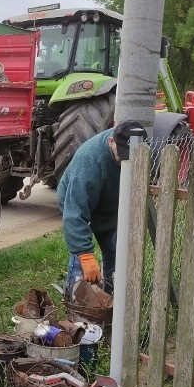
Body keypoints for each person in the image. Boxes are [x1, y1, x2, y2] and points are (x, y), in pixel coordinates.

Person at [57, 120, 148, 296]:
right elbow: (74, 213)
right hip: (78, 206)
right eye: (122, 154)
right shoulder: (89, 161)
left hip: (109, 206)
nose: (125, 160)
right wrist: (85, 254)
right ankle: (75, 304)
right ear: (111, 142)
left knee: (116, 255)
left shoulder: (142, 148)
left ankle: (111, 299)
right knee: (81, 263)